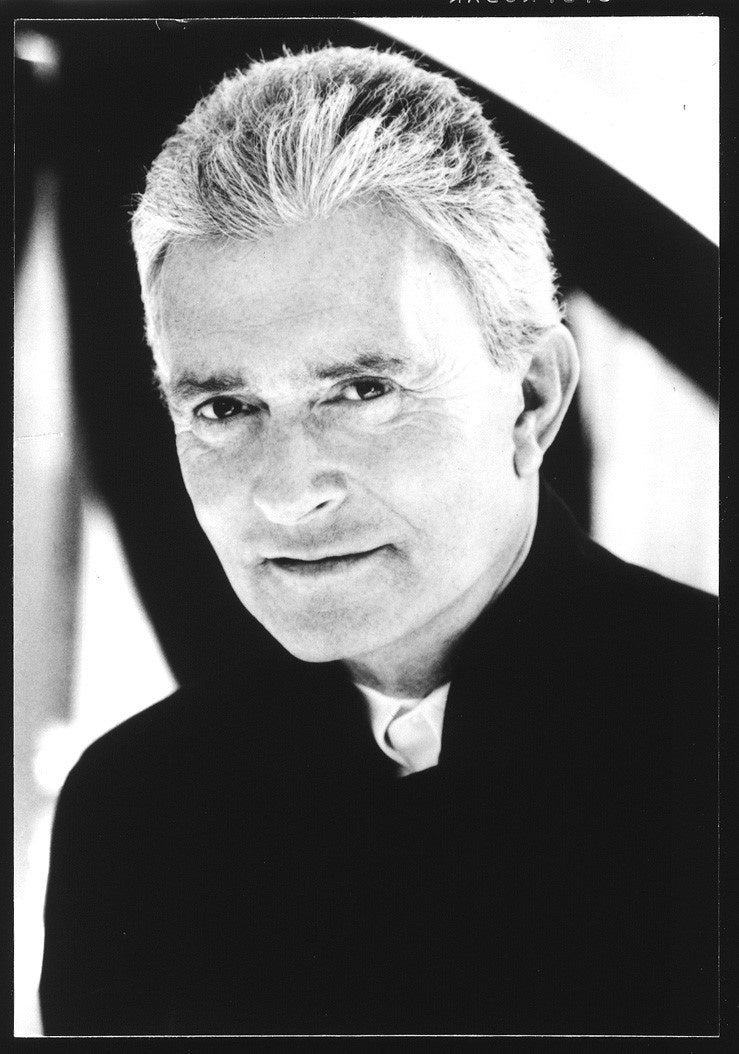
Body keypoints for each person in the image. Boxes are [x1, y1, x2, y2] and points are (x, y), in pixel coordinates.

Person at [39, 46, 717, 1037]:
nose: (288, 493)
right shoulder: (134, 811)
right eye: (224, 407)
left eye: (362, 390)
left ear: (532, 398)